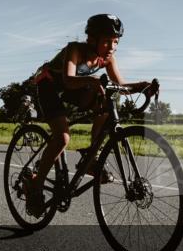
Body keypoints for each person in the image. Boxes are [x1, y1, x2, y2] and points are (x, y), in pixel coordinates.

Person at [23, 14, 157, 217]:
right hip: (50, 86)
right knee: (62, 138)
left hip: (74, 89)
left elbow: (120, 86)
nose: (112, 47)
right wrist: (92, 81)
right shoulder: (75, 49)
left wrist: (141, 86)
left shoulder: (107, 59)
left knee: (108, 100)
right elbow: (68, 80)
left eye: (116, 42)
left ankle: (91, 159)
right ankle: (35, 185)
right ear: (92, 39)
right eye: (107, 41)